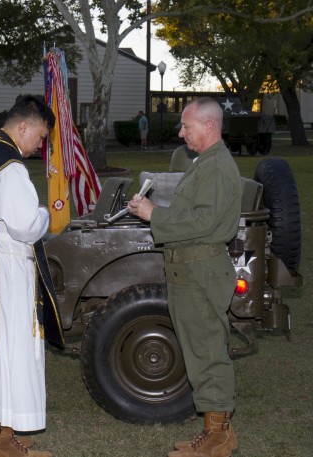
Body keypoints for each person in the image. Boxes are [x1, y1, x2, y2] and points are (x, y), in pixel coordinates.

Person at [128, 98, 241, 457]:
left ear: (208, 126)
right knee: (199, 352)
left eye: (186, 126)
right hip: (190, 269)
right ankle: (215, 431)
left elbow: (203, 223)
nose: (181, 132)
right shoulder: (204, 164)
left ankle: (217, 437)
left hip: (201, 270)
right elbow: (191, 212)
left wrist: (153, 215)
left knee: (209, 354)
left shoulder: (217, 167)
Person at [0, 95, 64, 457]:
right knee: (11, 349)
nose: (39, 146)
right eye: (39, 137)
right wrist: (44, 215)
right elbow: (23, 225)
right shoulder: (10, 166)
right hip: (6, 270)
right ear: (23, 126)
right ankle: (3, 443)